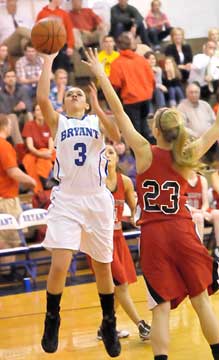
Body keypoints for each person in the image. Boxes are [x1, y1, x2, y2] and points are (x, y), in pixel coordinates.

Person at [83, 48, 219, 360]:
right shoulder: (189, 155)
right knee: (201, 301)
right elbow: (215, 129)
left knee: (160, 308)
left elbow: (118, 112)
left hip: (155, 238)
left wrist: (102, 76)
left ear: (156, 130)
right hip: (184, 232)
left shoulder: (144, 151)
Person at [36, 51, 122, 357]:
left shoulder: (95, 120)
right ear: (65, 103)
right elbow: (43, 100)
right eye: (69, 93)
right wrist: (48, 60)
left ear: (84, 102)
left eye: (78, 93)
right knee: (60, 264)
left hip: (97, 199)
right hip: (67, 199)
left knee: (103, 268)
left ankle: (109, 322)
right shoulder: (58, 122)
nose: (74, 94)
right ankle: (52, 318)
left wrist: (98, 106)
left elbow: (116, 133)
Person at [95, 144, 150, 341]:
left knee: (117, 288)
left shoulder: (125, 181)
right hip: (100, 241)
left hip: (118, 239)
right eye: (102, 153)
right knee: (122, 286)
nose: (107, 155)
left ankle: (105, 327)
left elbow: (135, 211)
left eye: (110, 152)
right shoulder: (94, 182)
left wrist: (142, 223)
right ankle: (141, 325)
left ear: (117, 158)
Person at [0, 113, 36, 279]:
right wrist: (31, 181)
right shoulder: (4, 145)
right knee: (10, 239)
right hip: (5, 198)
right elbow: (12, 171)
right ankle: (6, 273)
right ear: (6, 126)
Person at [109, 32, 154, 140]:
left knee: (135, 132)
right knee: (145, 128)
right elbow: (152, 79)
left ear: (118, 46)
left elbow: (115, 85)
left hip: (131, 100)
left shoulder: (117, 63)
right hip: (146, 98)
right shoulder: (141, 59)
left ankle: (138, 156)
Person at [22, 104, 56, 193]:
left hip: (48, 153)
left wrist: (47, 153)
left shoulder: (49, 124)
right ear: (33, 113)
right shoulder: (29, 125)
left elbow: (51, 145)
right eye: (37, 110)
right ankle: (39, 189)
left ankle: (45, 180)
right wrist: (41, 154)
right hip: (34, 153)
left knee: (47, 154)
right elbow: (30, 146)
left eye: (42, 110)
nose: (40, 112)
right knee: (28, 160)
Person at [36, 0, 74, 72]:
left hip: (61, 46)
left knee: (63, 67)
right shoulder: (42, 14)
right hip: (47, 46)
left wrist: (70, 46)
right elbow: (37, 32)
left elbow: (69, 31)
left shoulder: (64, 14)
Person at [186, 170, 219, 252]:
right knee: (198, 217)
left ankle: (218, 249)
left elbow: (206, 203)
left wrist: (203, 210)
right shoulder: (182, 179)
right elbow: (185, 204)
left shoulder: (202, 179)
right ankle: (200, 250)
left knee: (217, 213)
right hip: (189, 212)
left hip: (202, 210)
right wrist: (199, 212)